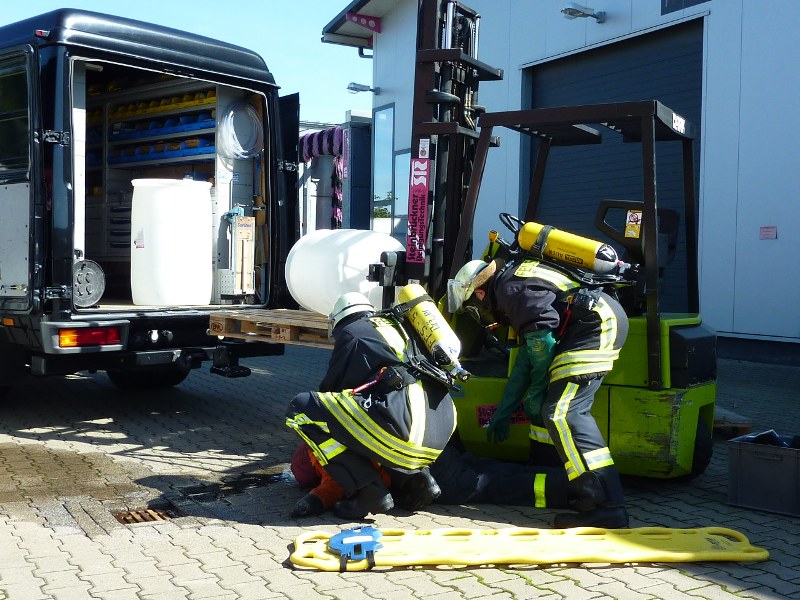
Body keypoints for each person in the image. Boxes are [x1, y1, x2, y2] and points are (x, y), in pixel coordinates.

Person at [449, 254, 630, 529]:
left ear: (480, 292)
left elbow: (542, 342)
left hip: (593, 328)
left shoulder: (509, 288)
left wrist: (537, 389)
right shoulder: (515, 283)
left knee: (562, 414)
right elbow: (525, 358)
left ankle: (608, 506)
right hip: (597, 323)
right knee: (559, 412)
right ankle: (587, 495)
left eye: (474, 305)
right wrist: (505, 410)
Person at [285, 292, 457, 520]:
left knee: (302, 410)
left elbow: (329, 395)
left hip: (405, 427)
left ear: (337, 321)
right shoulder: (397, 326)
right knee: (376, 421)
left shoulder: (351, 334)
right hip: (441, 429)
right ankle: (417, 481)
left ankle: (369, 491)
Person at [289, 439, 572, 515]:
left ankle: (570, 490)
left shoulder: (325, 461)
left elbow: (332, 487)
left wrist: (312, 502)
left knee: (492, 486)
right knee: (490, 468)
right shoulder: (337, 433)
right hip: (431, 451)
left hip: (426, 476)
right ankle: (574, 475)